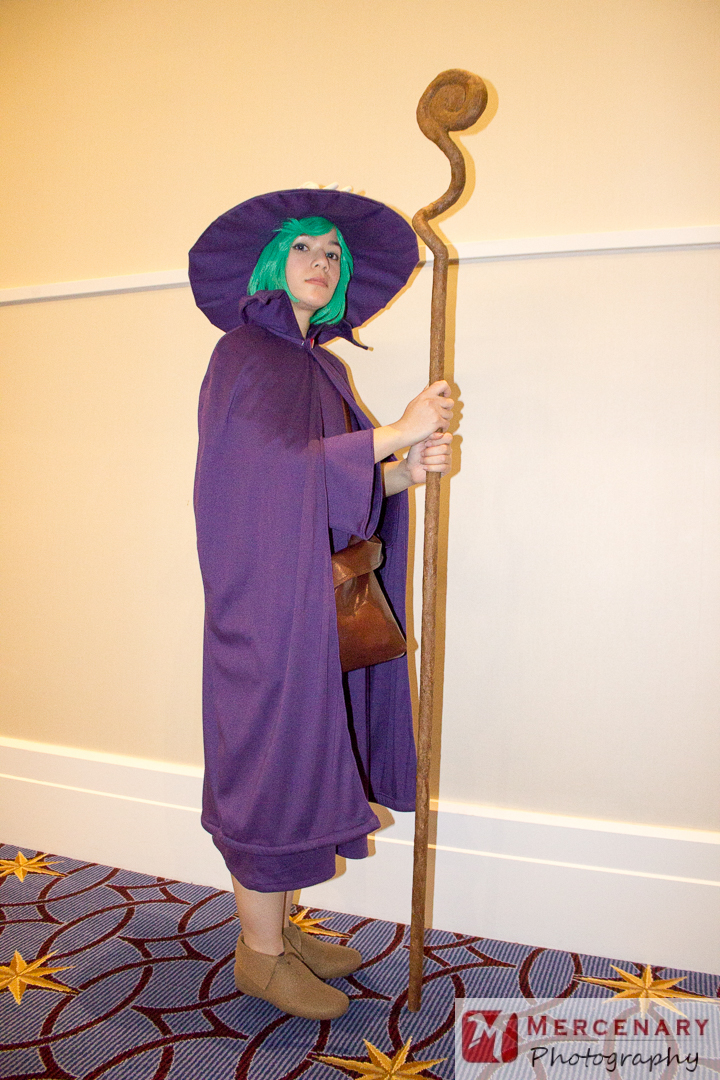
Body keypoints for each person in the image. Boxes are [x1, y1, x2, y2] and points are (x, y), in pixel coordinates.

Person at [189, 188, 454, 1019]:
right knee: (268, 767)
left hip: (314, 601)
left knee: (305, 755)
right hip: (265, 608)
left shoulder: (322, 366)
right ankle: (260, 956)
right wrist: (395, 432)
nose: (322, 262)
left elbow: (333, 495)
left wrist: (403, 472)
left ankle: (278, 933)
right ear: (274, 262)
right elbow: (263, 476)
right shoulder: (243, 354)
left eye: (334, 252)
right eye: (304, 247)